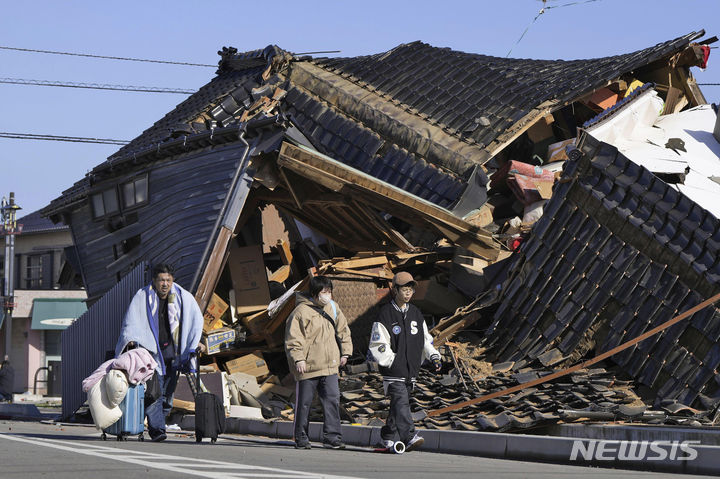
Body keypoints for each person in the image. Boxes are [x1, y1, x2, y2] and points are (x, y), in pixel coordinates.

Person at [115, 263, 203, 442]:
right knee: (155, 392)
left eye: (168, 280)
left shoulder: (183, 297)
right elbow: (131, 321)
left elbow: (195, 320)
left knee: (168, 397)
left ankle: (157, 422)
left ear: (172, 281)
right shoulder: (142, 296)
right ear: (154, 281)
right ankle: (158, 429)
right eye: (161, 280)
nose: (165, 284)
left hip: (173, 352)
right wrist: (131, 339)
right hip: (151, 353)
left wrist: (195, 342)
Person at [368, 272, 442, 452]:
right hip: (393, 370)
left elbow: (425, 339)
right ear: (395, 290)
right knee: (401, 402)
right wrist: (392, 361)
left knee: (397, 406)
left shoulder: (416, 314)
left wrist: (434, 356)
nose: (408, 293)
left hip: (411, 370)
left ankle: (386, 438)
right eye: (404, 289)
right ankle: (409, 436)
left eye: (410, 289)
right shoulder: (385, 314)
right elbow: (378, 343)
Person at [285, 275, 353, 450]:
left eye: (329, 291)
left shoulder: (333, 308)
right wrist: (298, 358)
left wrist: (345, 352)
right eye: (324, 292)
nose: (327, 295)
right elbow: (293, 339)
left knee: (332, 400)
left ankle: (333, 437)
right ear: (314, 293)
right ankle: (301, 437)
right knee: (304, 403)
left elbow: (343, 330)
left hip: (330, 365)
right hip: (308, 366)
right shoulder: (300, 312)